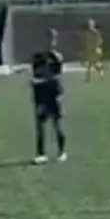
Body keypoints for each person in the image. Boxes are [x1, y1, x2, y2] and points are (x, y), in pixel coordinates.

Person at [31, 29, 66, 165]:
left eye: (53, 39)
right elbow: (36, 74)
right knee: (40, 125)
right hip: (40, 95)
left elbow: (56, 76)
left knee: (57, 124)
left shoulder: (57, 57)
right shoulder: (37, 57)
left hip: (53, 94)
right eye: (48, 39)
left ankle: (61, 151)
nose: (50, 42)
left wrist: (43, 80)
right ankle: (40, 154)